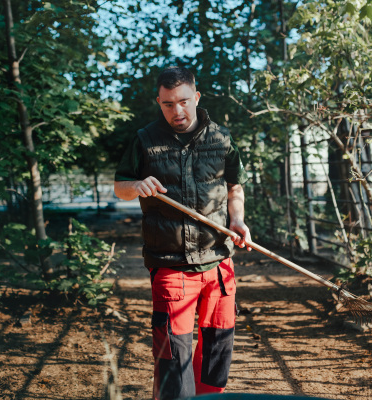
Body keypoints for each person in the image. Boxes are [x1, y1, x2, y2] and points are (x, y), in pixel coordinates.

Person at [114, 66, 251, 400]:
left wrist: (237, 220)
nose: (177, 110)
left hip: (218, 262)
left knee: (218, 350)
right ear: (158, 102)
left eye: (183, 101)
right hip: (170, 264)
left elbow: (235, 186)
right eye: (167, 104)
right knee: (172, 358)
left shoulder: (221, 138)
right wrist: (138, 185)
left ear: (197, 97)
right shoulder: (145, 139)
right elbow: (120, 187)